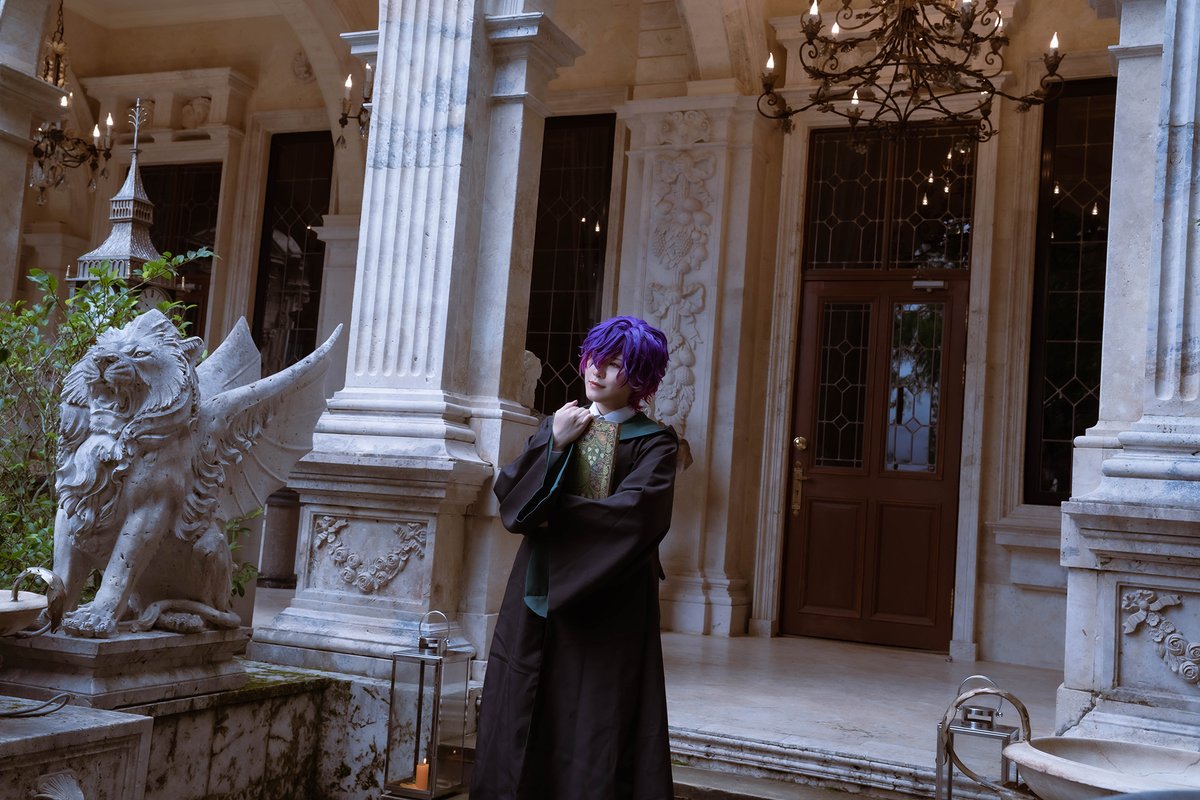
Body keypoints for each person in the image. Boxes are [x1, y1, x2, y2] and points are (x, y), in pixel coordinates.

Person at [470, 316, 678, 800]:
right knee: (523, 703)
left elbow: (636, 516)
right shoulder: (558, 424)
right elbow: (512, 500)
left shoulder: (655, 443)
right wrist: (556, 443)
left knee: (595, 719)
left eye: (615, 364)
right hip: (535, 593)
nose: (597, 371)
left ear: (641, 379)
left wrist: (551, 515)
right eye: (594, 358)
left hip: (609, 602)